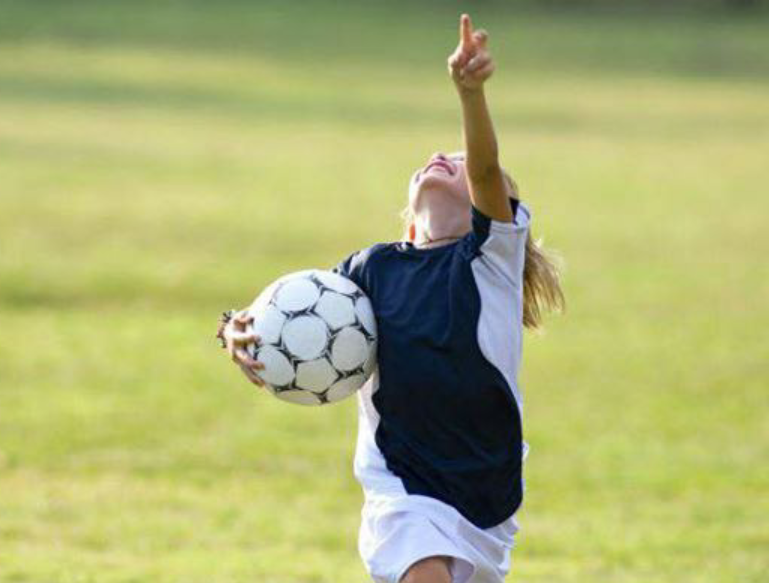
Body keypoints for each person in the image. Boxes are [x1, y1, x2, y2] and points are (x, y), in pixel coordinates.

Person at [216, 14, 565, 583]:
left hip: (484, 492)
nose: (443, 158)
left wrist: (470, 94)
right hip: (400, 483)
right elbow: (292, 313)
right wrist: (237, 328)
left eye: (457, 163)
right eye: (436, 157)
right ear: (407, 228)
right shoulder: (371, 270)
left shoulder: (489, 265)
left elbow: (484, 166)